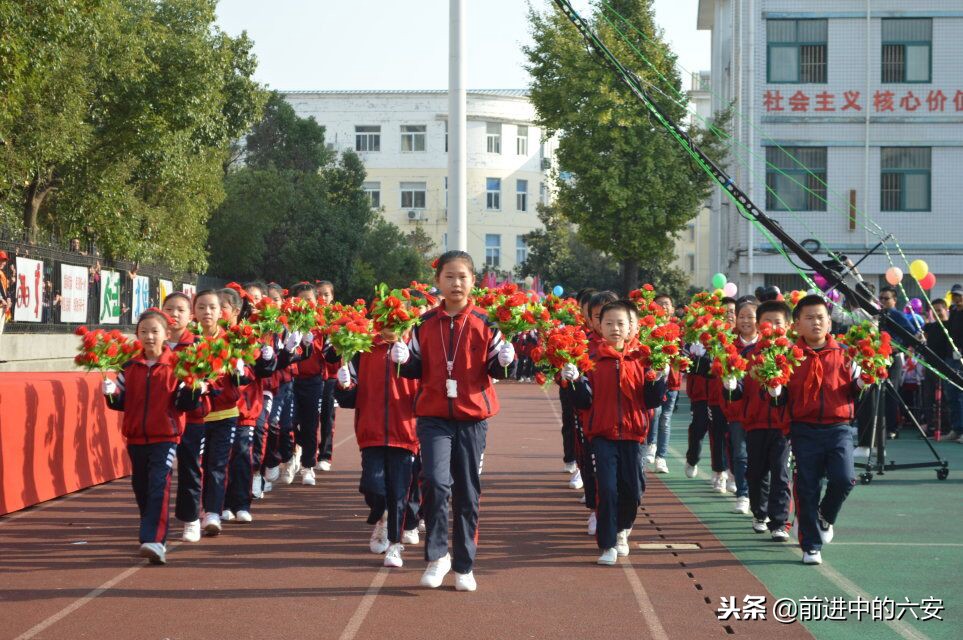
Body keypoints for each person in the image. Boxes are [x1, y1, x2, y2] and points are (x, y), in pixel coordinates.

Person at [392, 250, 516, 592]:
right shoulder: (424, 324)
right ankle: (437, 556)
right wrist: (400, 360)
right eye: (449, 276)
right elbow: (412, 367)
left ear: (473, 281)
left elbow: (499, 368)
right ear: (438, 282)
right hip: (433, 417)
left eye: (462, 276)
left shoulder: (486, 323)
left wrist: (507, 359)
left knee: (467, 492)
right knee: (434, 481)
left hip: (472, 418)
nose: (456, 283)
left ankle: (464, 564)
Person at [565, 300, 665, 565]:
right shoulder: (592, 359)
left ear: (633, 327)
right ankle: (607, 543)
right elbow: (583, 402)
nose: (615, 328)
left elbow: (653, 400)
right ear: (599, 326)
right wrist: (575, 381)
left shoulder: (643, 359)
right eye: (609, 323)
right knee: (606, 490)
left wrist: (660, 378)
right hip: (602, 435)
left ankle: (623, 529)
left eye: (622, 323)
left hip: (634, 436)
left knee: (633, 491)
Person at [103, 309, 201, 564]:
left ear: (167, 335)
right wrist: (110, 392)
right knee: (142, 488)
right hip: (135, 438)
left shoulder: (178, 367)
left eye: (155, 332)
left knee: (159, 484)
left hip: (166, 437)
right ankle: (151, 527)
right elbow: (119, 403)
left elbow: (184, 404)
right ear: (137, 335)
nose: (149, 337)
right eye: (143, 332)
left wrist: (193, 390)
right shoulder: (130, 368)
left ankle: (154, 540)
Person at [773, 294, 863, 565]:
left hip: (839, 427)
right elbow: (778, 398)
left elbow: (855, 391)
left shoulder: (846, 354)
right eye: (809, 318)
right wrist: (774, 389)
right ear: (797, 324)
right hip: (803, 428)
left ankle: (826, 515)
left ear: (829, 322)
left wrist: (864, 381)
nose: (816, 323)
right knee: (806, 486)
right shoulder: (787, 356)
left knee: (844, 479)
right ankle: (811, 545)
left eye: (821, 317)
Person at [334, 324, 421, 568]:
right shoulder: (363, 349)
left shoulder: (414, 347)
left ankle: (395, 545)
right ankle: (380, 516)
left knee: (399, 492)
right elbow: (347, 397)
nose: (389, 326)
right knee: (373, 486)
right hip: (371, 431)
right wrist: (344, 385)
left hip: (404, 433)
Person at [724, 300, 793, 540]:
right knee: (756, 473)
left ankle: (779, 521)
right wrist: (731, 385)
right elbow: (738, 390)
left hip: (783, 425)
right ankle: (759, 512)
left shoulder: (793, 355)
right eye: (767, 322)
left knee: (781, 472)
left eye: (778, 323)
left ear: (788, 326)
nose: (772, 327)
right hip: (754, 422)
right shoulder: (750, 354)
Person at [645, 293, 679, 474]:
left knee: (665, 419)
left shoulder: (678, 329)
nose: (664, 307)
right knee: (654, 414)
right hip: (655, 379)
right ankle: (651, 444)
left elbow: (684, 355)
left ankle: (661, 457)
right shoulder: (648, 329)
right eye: (660, 304)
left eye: (667, 304)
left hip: (672, 381)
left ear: (672, 309)